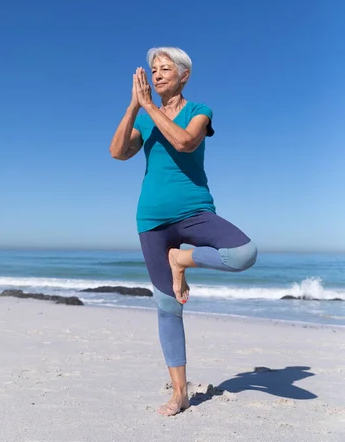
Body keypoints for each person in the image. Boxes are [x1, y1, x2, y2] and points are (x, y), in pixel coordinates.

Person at [109, 47, 257, 416]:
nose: (157, 75)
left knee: (244, 254)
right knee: (167, 307)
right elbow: (116, 153)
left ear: (184, 75)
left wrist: (150, 108)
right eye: (153, 70)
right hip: (151, 221)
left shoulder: (200, 111)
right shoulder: (145, 117)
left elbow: (184, 141)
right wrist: (133, 107)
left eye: (165, 69)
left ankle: (181, 260)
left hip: (195, 211)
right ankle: (180, 393)